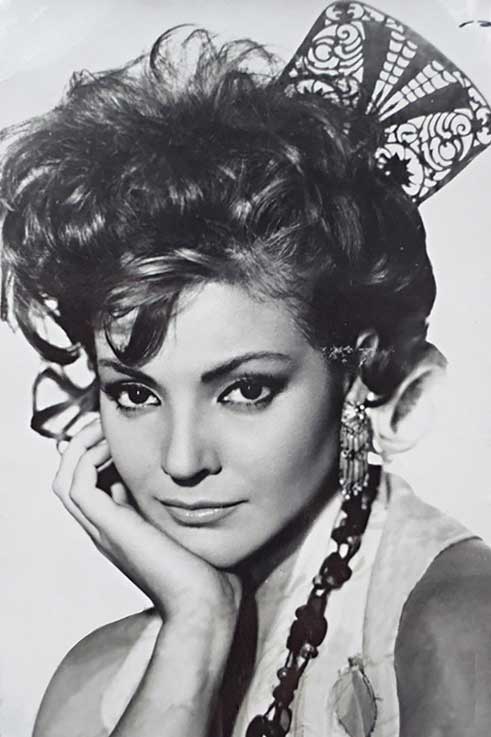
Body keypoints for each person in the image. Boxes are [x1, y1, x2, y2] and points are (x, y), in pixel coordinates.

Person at [1, 3, 491, 736]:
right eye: (134, 393)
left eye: (245, 389)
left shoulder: (461, 627)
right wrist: (198, 624)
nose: (181, 460)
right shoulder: (96, 681)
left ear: (357, 376)